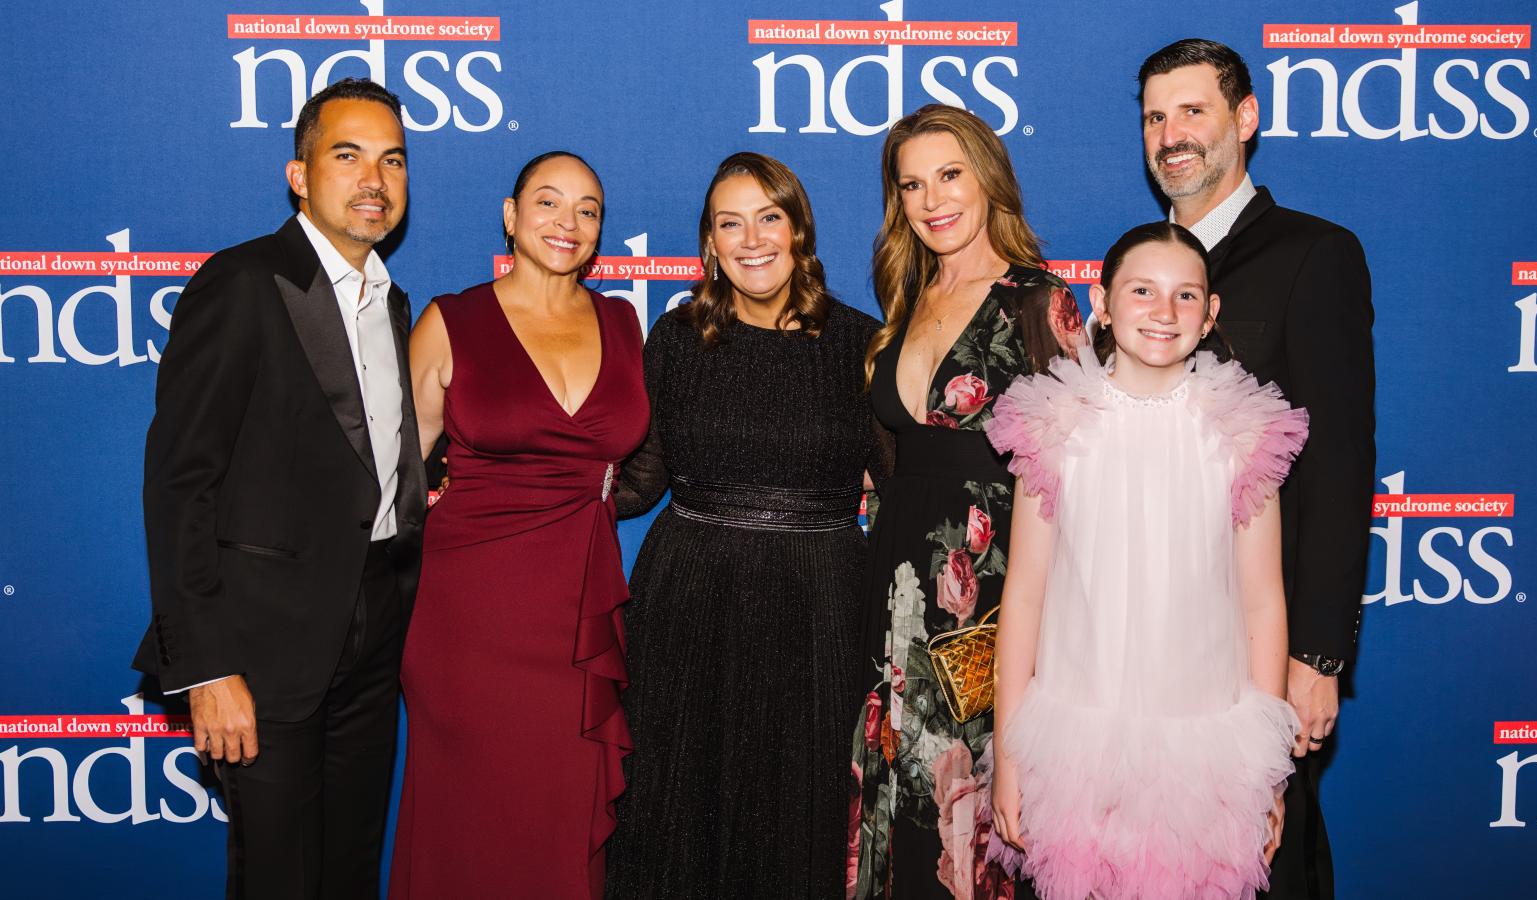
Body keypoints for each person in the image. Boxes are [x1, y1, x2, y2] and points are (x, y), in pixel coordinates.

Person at [135, 77, 424, 899]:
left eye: (392, 160)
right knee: (278, 881)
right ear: (298, 175)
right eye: (348, 155)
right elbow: (179, 484)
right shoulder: (243, 284)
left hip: (371, 638)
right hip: (261, 651)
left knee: (347, 870)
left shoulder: (390, 303)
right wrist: (208, 667)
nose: (375, 179)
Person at [987, 222, 1306, 899]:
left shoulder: (1242, 431)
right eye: (1142, 291)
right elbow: (1024, 596)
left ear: (1210, 313)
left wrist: (1267, 772)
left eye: (1186, 296)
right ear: (1101, 303)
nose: (1164, 313)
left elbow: (1262, 602)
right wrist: (1011, 757)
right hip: (1076, 748)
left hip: (1206, 759)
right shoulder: (1055, 422)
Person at [604, 152, 884, 899]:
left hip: (820, 606)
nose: (752, 239)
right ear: (709, 244)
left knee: (807, 809)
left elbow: (900, 485)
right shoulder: (675, 340)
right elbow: (638, 480)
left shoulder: (863, 346)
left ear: (799, 232)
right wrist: (513, 490)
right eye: (732, 223)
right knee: (681, 806)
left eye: (770, 218)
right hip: (692, 601)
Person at [1137, 39, 1376, 899]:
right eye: (1156, 117)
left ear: (1246, 118)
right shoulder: (1142, 273)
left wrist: (1316, 657)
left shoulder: (1317, 254)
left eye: (1193, 111)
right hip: (1144, 640)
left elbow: (1342, 469)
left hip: (1257, 645)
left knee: (1269, 863)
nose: (1172, 136)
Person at [389, 151, 648, 899]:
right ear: (510, 215)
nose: (567, 223)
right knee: (468, 817)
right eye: (547, 202)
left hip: (577, 611)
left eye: (587, 210)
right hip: (466, 615)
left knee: (561, 815)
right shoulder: (452, 320)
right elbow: (390, 464)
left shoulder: (622, 321)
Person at [849, 103, 1083, 900]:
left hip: (987, 611)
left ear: (988, 179)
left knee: (966, 822)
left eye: (949, 175)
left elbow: (1077, 485)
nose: (931, 199)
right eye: (911, 184)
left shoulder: (1037, 303)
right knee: (894, 812)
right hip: (889, 602)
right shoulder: (905, 299)